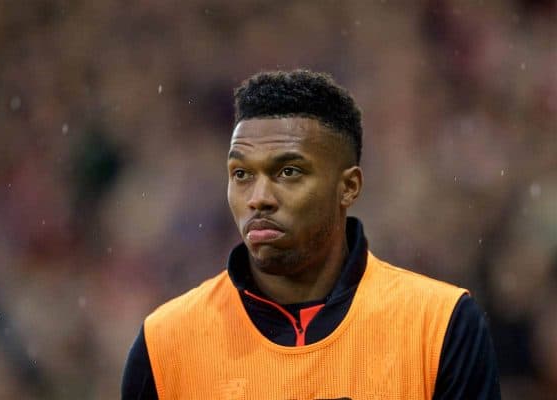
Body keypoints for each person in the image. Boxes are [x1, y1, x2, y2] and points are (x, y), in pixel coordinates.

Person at [121, 70, 501, 399]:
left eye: (288, 172)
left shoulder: (441, 325)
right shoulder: (165, 343)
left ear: (348, 187)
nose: (259, 198)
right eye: (241, 174)